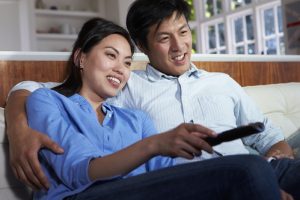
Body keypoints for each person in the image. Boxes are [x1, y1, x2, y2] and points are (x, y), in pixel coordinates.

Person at [4, 0, 299, 199]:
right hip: (91, 191)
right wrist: (18, 128)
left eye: (127, 62)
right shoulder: (60, 101)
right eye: (110, 56)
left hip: (233, 172)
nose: (120, 68)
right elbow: (79, 169)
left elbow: (163, 170)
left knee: (256, 168)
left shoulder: (135, 118)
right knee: (249, 169)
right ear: (81, 57)